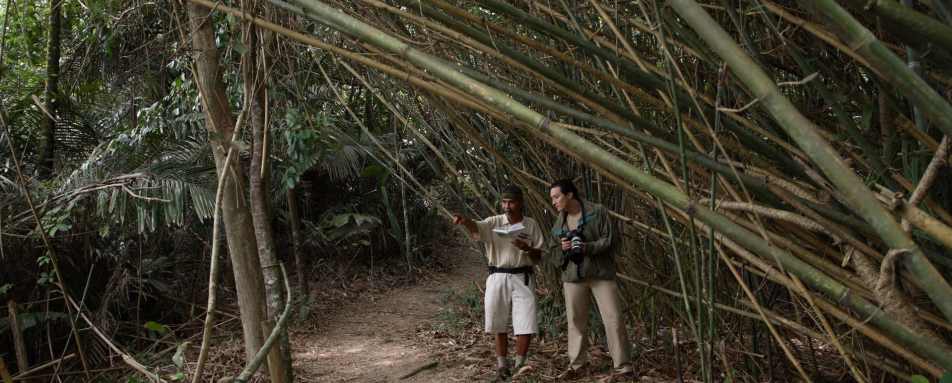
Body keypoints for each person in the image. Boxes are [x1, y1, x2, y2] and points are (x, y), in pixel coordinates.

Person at [453, 185, 545, 381]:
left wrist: (527, 248)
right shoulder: (494, 222)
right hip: (497, 275)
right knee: (498, 321)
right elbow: (476, 227)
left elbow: (539, 256)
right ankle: (502, 365)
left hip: (523, 276)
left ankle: (519, 365)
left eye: (511, 202)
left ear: (520, 203)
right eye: (504, 202)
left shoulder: (531, 225)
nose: (507, 206)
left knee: (526, 321)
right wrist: (465, 221)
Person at [547, 179, 634, 378]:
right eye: (552, 198)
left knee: (613, 318)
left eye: (557, 197)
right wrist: (563, 248)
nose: (554, 202)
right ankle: (577, 365)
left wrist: (588, 247)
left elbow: (611, 240)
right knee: (575, 321)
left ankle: (623, 366)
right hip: (573, 276)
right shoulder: (559, 222)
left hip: (600, 273)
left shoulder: (597, 211)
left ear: (569, 194)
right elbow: (552, 253)